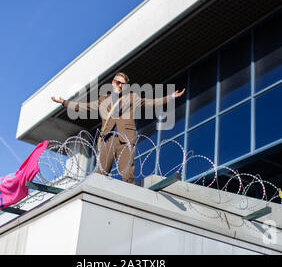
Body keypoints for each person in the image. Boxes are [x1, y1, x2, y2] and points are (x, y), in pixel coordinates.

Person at [51, 72, 185, 184]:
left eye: (123, 83)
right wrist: (64, 102)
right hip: (108, 139)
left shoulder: (132, 98)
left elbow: (150, 103)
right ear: (113, 82)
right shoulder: (103, 99)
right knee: (101, 173)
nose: (120, 85)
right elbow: (84, 107)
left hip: (125, 139)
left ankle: (129, 201)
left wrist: (171, 97)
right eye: (117, 82)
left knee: (127, 174)